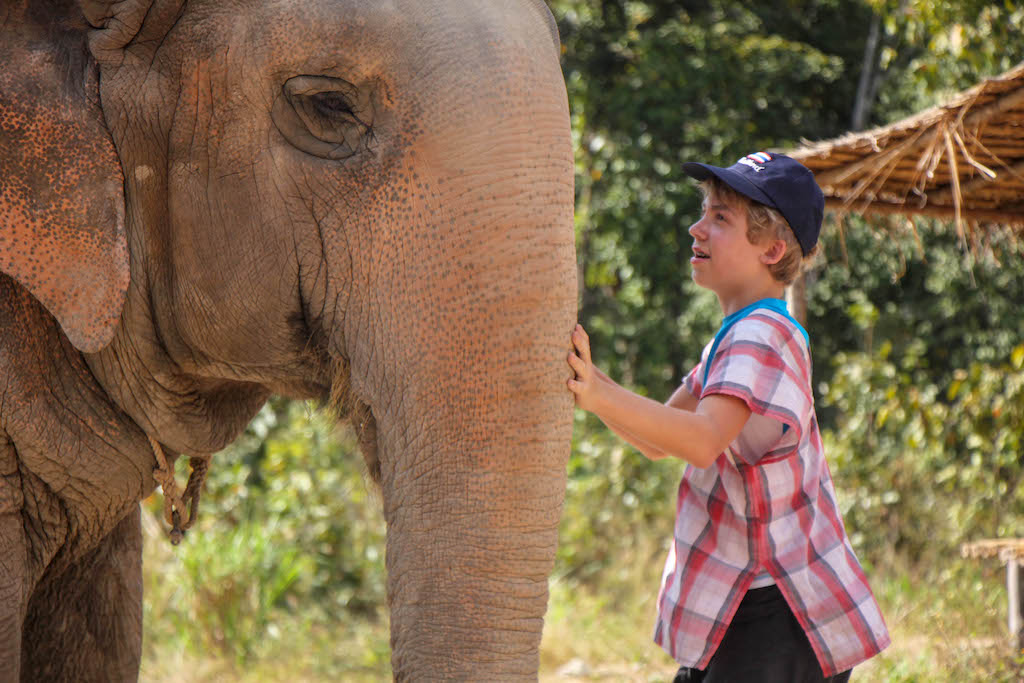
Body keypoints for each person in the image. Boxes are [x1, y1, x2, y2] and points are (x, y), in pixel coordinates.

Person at [566, 152, 890, 682]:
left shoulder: (762, 336)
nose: (697, 228)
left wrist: (598, 396)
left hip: (777, 610)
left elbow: (699, 440)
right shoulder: (734, 338)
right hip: (754, 604)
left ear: (773, 249)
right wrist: (590, 381)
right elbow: (658, 438)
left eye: (721, 219)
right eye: (704, 212)